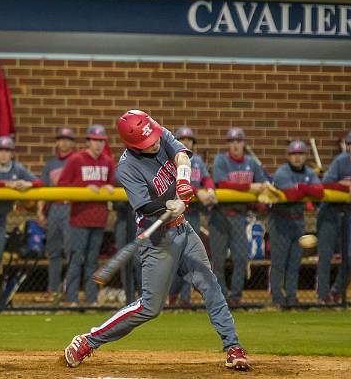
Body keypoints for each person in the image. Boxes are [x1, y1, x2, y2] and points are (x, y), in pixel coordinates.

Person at [64, 110, 249, 371]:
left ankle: (233, 347)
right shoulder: (127, 167)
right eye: (147, 143)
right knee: (150, 307)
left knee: (210, 285)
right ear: (132, 145)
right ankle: (88, 340)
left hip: (183, 231)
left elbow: (181, 155)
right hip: (158, 239)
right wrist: (167, 207)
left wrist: (183, 181)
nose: (154, 143)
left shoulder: (158, 133)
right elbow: (145, 207)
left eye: (153, 137)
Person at [0, 136, 43, 307]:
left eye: (7, 151)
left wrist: (27, 184)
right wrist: (7, 184)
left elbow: (39, 182)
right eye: (1, 150)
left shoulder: (17, 168)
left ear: (12, 154)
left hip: (0, 219)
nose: (4, 154)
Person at [210, 127, 269, 306]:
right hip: (219, 216)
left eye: (238, 141)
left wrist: (263, 192)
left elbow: (263, 183)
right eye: (232, 141)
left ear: (244, 143)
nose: (235, 145)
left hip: (239, 217)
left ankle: (235, 297)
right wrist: (249, 187)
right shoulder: (221, 160)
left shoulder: (252, 163)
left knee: (241, 258)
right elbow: (222, 183)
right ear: (228, 144)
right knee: (218, 260)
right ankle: (221, 297)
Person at [57, 124, 115, 307]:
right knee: (76, 259)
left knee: (92, 261)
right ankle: (72, 298)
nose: (98, 145)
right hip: (79, 219)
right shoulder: (76, 159)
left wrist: (108, 187)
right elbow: (61, 186)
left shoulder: (107, 161)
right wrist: (82, 189)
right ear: (88, 141)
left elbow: (112, 182)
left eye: (101, 141)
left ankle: (92, 299)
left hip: (99, 219)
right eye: (95, 141)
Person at [269, 141, 323, 307]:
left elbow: (319, 192)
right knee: (279, 262)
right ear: (288, 156)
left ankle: (291, 296)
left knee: (294, 262)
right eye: (293, 154)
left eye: (300, 154)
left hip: (298, 222)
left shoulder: (309, 172)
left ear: (305, 156)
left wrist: (301, 187)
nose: (297, 157)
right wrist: (305, 189)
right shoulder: (282, 172)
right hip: (280, 220)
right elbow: (290, 195)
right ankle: (277, 297)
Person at [167, 127, 216, 307]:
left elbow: (207, 178)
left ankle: (184, 300)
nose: (186, 141)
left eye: (189, 139)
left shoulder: (198, 162)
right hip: (174, 217)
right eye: (182, 138)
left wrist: (209, 189)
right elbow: (177, 185)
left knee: (190, 259)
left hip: (193, 215)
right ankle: (172, 295)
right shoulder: (171, 160)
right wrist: (198, 192)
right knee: (178, 260)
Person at [36, 127, 76, 301]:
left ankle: (69, 290)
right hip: (54, 209)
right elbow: (43, 189)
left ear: (72, 143)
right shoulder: (50, 165)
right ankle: (53, 290)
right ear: (57, 142)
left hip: (71, 208)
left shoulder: (76, 161)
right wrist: (40, 211)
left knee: (70, 251)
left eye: (68, 139)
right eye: (61, 138)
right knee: (53, 252)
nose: (64, 142)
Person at [316, 131, 351, 304]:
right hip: (330, 212)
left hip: (348, 215)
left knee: (349, 256)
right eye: (349, 144)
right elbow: (326, 184)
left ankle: (337, 291)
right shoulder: (341, 161)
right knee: (325, 255)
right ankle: (323, 296)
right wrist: (345, 186)